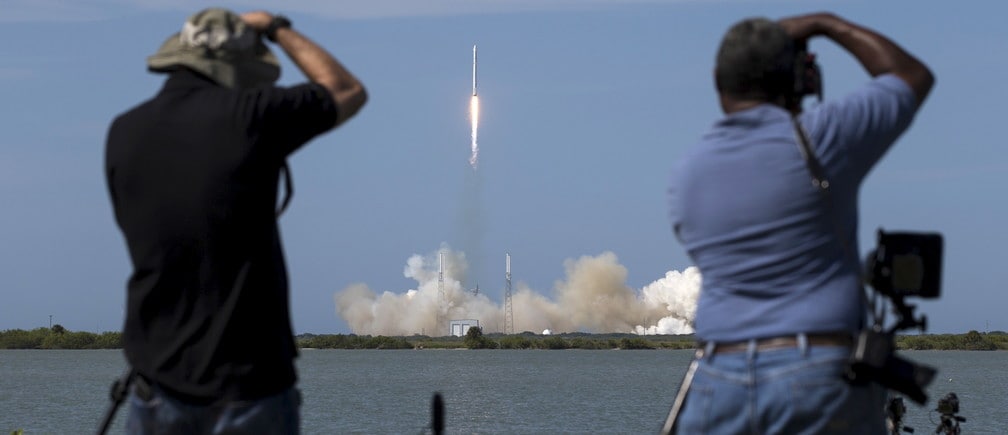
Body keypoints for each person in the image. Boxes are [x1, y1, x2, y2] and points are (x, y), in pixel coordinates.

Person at [666, 12, 933, 434]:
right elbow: (910, 75)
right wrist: (827, 24)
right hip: (816, 375)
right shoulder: (822, 137)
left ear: (719, 80)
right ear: (799, 80)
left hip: (717, 378)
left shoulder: (688, 172)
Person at [105, 8, 367, 434]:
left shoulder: (124, 132)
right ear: (237, 68)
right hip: (249, 387)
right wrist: (276, 28)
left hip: (156, 384)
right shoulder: (251, 116)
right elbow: (346, 89)